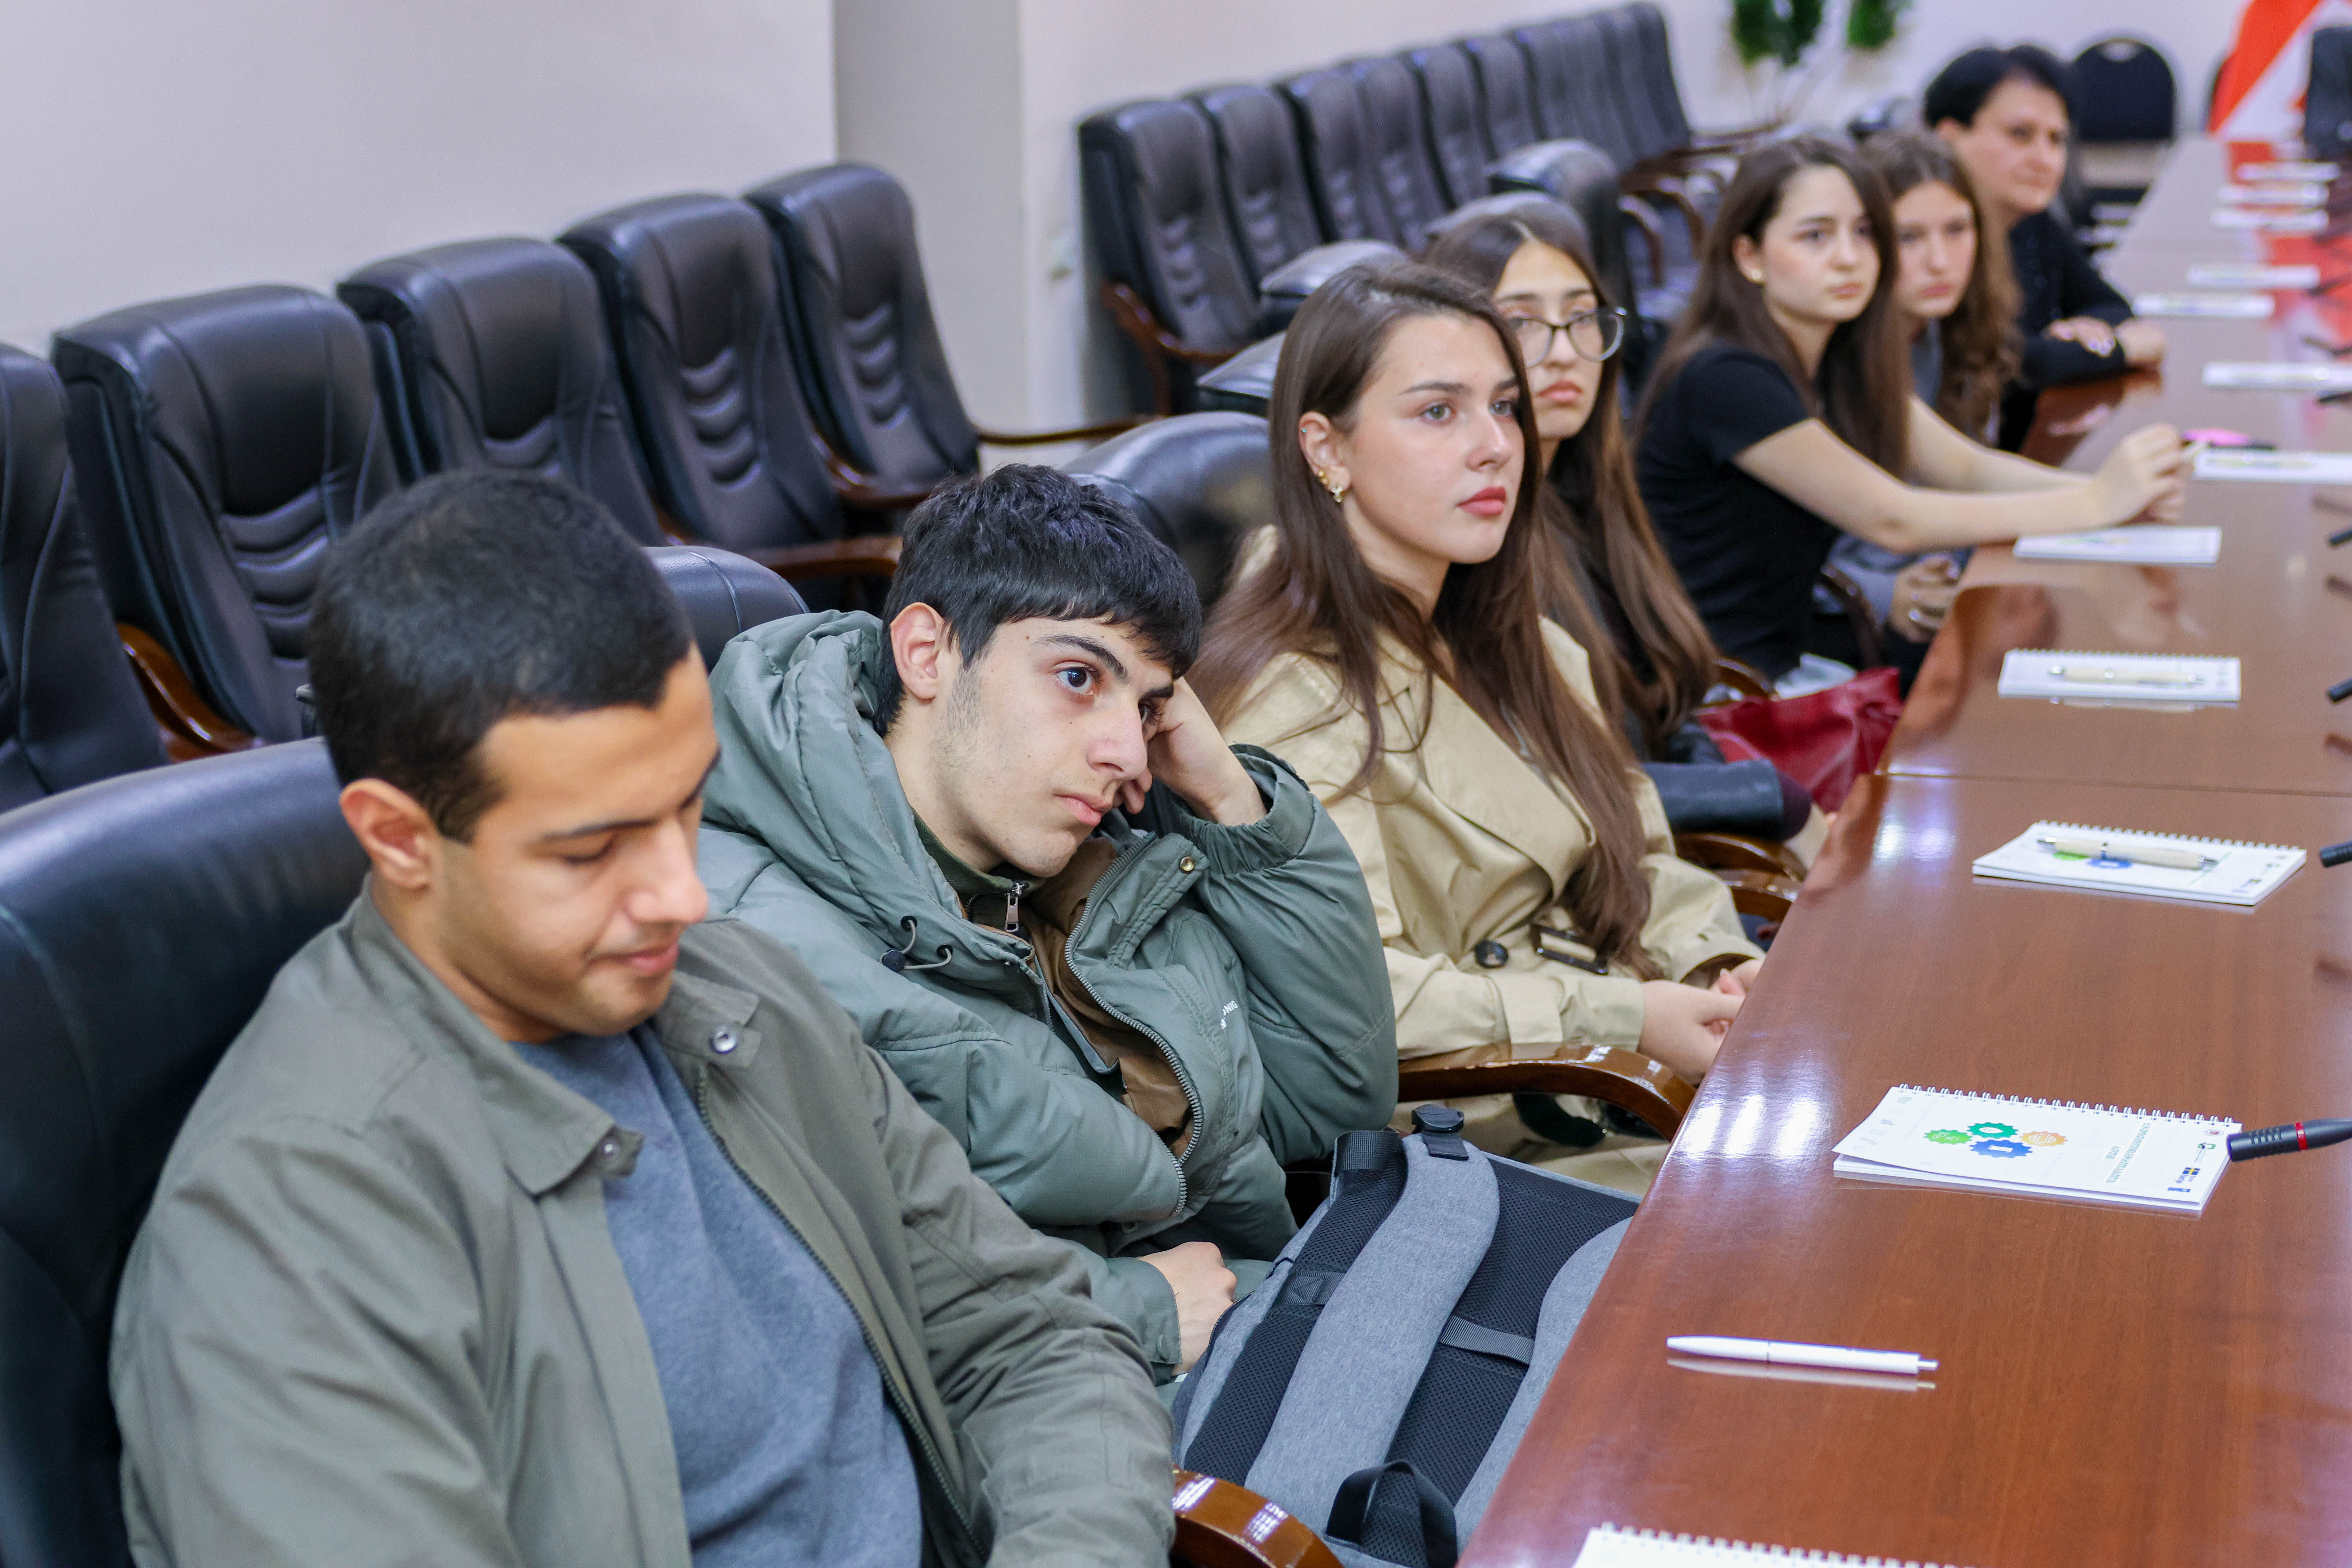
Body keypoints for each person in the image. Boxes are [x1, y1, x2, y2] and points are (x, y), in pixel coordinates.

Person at [110, 470, 1173, 1566]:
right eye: (592, 850)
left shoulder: (737, 994)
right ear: (399, 839)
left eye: (686, 803)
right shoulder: (290, 1229)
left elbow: (1035, 1338)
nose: (682, 894)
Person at [696, 464, 1396, 1386]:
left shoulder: (1101, 863)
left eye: (1146, 707)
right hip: (1092, 1393)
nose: (1124, 749)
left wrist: (1228, 795)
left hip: (1272, 1326)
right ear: (927, 654)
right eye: (1077, 677)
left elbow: (1334, 1103)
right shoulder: (752, 938)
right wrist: (1139, 1309)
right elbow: (808, 1295)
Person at [1192, 259, 1764, 1194]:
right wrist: (1626, 1016)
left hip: (1621, 1073)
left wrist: (1718, 967)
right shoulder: (1290, 699)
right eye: (1437, 412)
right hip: (1487, 1139)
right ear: (1326, 450)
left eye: (1503, 407)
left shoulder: (1522, 640)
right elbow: (1362, 1002)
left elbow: (1639, 859)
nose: (1496, 445)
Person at [1632, 135, 2188, 692]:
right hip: (1717, 693)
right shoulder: (1727, 377)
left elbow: (1966, 468)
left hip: (1785, 670)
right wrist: (2096, 502)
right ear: (1749, 257)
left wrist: (2119, 494)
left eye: (1864, 232)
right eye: (1816, 236)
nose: (1849, 257)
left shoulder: (1838, 356)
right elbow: (1895, 519)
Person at [1421, 204, 1825, 860]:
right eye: (1521, 324)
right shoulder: (1474, 537)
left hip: (1666, 847)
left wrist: (1732, 793)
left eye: (1582, 318)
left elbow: (1667, 704)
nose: (1564, 354)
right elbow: (1545, 784)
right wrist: (1764, 796)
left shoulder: (1590, 492)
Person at [1806, 130, 2028, 679]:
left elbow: (1966, 477)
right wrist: (1887, 593)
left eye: (1957, 230)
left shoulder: (1944, 331)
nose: (1940, 261)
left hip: (1937, 581)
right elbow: (1781, 551)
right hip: (1838, 618)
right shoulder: (1829, 355)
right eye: (1909, 238)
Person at [1925, 44, 2166, 450]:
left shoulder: (2030, 223)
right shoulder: (1933, 245)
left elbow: (2110, 306)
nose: (2046, 159)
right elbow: (2006, 365)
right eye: (2021, 135)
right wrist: (2120, 348)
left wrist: (2079, 335)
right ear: (1949, 137)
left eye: (2057, 140)